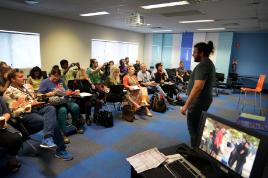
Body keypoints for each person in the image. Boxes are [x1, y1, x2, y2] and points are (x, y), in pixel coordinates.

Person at [3, 69, 73, 160]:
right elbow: (13, 113)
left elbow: (35, 97)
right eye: (20, 77)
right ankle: (60, 149)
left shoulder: (26, 86)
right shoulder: (8, 93)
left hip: (37, 108)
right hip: (26, 114)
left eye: (22, 76)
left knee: (50, 108)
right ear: (12, 79)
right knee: (51, 121)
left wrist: (48, 95)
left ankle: (47, 138)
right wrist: (30, 105)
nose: (23, 78)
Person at [181, 41, 216, 147]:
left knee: (193, 129)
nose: (193, 54)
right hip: (203, 101)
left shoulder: (203, 65)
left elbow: (197, 87)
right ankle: (198, 150)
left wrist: (186, 105)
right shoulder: (209, 63)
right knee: (198, 127)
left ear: (201, 53)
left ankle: (195, 153)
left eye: (195, 52)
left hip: (198, 102)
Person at [38, 68, 84, 143]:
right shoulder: (45, 82)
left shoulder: (61, 80)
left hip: (65, 100)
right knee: (63, 110)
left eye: (58, 76)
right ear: (50, 74)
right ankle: (62, 134)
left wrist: (71, 92)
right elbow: (39, 95)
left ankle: (75, 126)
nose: (56, 78)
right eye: (54, 76)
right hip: (54, 103)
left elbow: (67, 90)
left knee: (75, 107)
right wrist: (48, 94)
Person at [0, 96, 23, 172]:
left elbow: (6, 113)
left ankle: (11, 159)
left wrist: (3, 120)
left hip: (1, 126)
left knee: (16, 138)